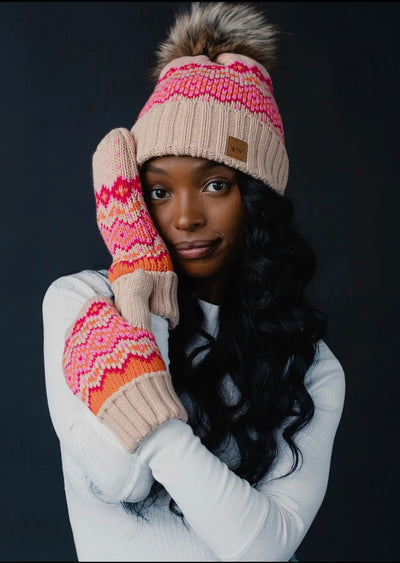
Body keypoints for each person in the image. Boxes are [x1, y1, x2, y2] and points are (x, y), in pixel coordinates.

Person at [42, 2, 345, 561]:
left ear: (256, 198)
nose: (184, 218)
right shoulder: (85, 303)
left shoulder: (310, 366)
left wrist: (141, 407)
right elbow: (119, 477)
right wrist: (141, 283)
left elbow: (262, 549)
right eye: (158, 191)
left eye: (215, 185)